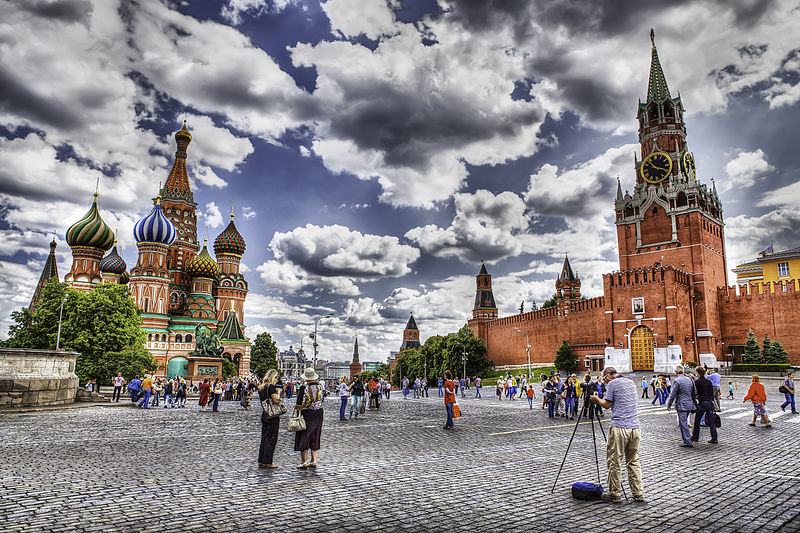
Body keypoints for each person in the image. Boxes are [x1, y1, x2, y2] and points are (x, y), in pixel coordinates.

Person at [590, 367, 644, 503]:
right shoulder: (630, 382)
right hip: (635, 427)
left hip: (620, 427)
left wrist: (597, 399)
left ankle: (614, 493)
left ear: (608, 375)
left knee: (614, 461)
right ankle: (638, 493)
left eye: (605, 379)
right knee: (633, 461)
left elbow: (607, 405)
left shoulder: (613, 384)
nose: (605, 382)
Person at [294, 367, 324, 469]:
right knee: (315, 434)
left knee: (304, 435)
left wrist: (297, 407)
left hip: (307, 413)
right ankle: (314, 460)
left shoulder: (304, 388)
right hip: (319, 413)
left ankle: (304, 462)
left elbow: (300, 403)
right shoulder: (320, 386)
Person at [666, 366, 696, 447]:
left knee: (683, 423)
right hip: (689, 404)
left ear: (676, 372)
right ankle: (688, 439)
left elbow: (673, 394)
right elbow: (694, 391)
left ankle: (687, 441)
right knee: (685, 422)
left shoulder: (677, 381)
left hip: (681, 405)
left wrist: (669, 404)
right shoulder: (689, 379)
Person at [257, 369, 282, 469]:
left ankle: (261, 460)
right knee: (271, 438)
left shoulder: (262, 387)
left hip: (265, 414)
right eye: (277, 378)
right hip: (273, 415)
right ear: (273, 377)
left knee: (264, 438)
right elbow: (276, 400)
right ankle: (268, 461)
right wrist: (279, 393)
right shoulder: (271, 387)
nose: (277, 380)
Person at [691, 367, 718, 444]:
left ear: (698, 373)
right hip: (709, 402)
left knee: (697, 420)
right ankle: (714, 438)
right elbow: (712, 394)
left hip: (702, 402)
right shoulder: (708, 381)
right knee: (711, 421)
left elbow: (695, 393)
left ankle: (695, 437)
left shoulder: (698, 382)